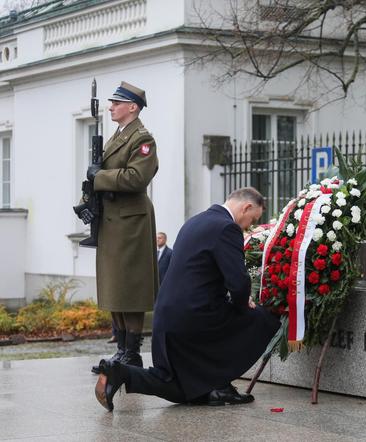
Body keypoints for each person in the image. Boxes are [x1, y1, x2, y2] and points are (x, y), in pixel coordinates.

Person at [94, 187, 281, 411]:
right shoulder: (226, 228)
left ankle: (119, 372)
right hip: (195, 319)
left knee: (178, 387)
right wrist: (245, 303)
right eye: (252, 219)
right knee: (263, 320)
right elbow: (238, 283)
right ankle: (220, 383)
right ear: (246, 207)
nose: (248, 226)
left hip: (166, 320)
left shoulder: (194, 222)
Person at [87, 81, 159, 375]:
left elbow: (135, 178)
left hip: (131, 221)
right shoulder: (119, 135)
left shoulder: (143, 139)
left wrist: (100, 177)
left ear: (133, 107)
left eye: (117, 103)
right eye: (111, 102)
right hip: (112, 219)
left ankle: (132, 353)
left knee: (131, 287)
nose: (111, 107)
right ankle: (121, 351)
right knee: (115, 285)